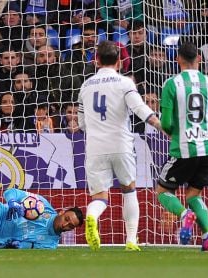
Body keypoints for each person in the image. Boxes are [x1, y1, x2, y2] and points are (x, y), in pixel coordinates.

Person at [78, 40, 162, 251]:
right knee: (129, 190)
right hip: (121, 144)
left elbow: (81, 125)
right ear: (119, 61)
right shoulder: (125, 83)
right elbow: (140, 109)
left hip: (95, 147)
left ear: (96, 60)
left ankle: (91, 215)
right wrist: (161, 126)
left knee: (99, 197)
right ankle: (131, 240)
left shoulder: (85, 86)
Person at [155, 41, 208, 252]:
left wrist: (176, 131)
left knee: (162, 191)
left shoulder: (172, 83)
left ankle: (184, 214)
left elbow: (167, 123)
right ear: (199, 59)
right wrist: (207, 128)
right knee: (193, 195)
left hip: (184, 148)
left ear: (177, 59)